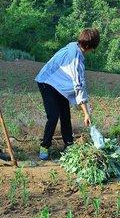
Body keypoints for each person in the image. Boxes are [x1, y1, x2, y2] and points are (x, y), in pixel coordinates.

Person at [35, 28, 100, 160]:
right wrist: (86, 113)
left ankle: (69, 144)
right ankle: (45, 146)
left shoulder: (73, 45)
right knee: (53, 116)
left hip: (59, 86)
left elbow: (79, 85)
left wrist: (86, 107)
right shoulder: (76, 58)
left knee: (65, 114)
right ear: (87, 46)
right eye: (92, 48)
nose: (91, 51)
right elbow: (79, 85)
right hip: (47, 82)